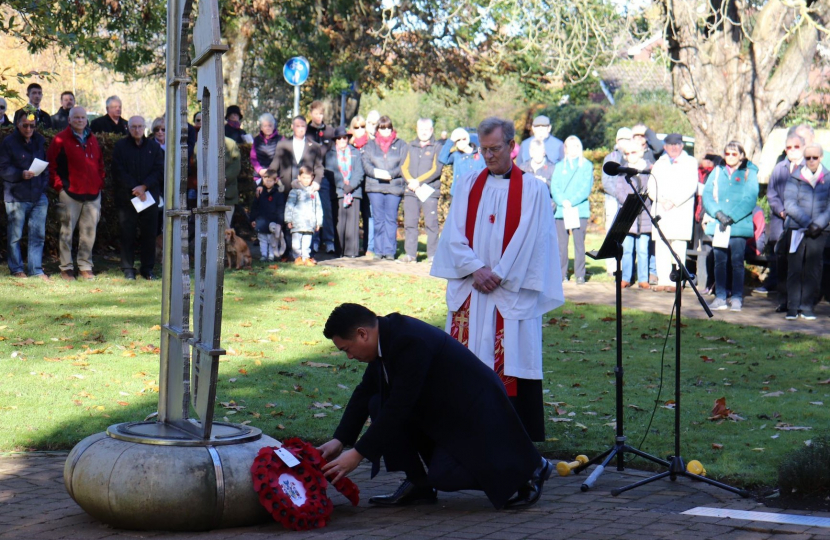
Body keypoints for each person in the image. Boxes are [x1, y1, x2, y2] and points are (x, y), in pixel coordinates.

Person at [318, 303, 554, 510]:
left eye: (346, 349)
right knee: (376, 402)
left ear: (362, 334)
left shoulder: (407, 341)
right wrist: (340, 440)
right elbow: (365, 392)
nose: (348, 357)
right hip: (443, 411)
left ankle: (530, 468)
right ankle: (419, 485)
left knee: (445, 477)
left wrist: (358, 454)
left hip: (476, 413)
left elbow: (399, 406)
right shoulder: (387, 336)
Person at [430, 117, 564, 441]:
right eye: (483, 149)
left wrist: (499, 274)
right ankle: (466, 434)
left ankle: (511, 437)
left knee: (512, 361)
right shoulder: (466, 185)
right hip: (472, 289)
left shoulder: (532, 189)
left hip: (510, 292)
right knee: (468, 360)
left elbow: (532, 240)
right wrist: (476, 268)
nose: (488, 156)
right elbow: (453, 235)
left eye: (495, 149)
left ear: (512, 146)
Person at [46, 107, 105, 281]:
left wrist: (100, 182)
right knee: (66, 233)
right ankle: (66, 268)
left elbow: (100, 163)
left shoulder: (93, 139)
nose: (80, 120)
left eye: (83, 117)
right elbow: (51, 166)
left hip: (93, 194)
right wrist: (59, 187)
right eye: (76, 118)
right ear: (69, 120)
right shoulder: (60, 139)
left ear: (87, 120)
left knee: (89, 233)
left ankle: (85, 267)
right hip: (69, 193)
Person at [702, 141, 760, 312]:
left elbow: (750, 198)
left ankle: (736, 297)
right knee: (719, 261)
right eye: (727, 153)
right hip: (719, 223)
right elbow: (707, 194)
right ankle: (720, 296)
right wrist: (718, 213)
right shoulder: (718, 171)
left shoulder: (750, 172)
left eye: (734, 154)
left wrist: (732, 217)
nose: (730, 157)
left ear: (741, 155)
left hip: (738, 225)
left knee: (736, 262)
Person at [111, 116, 164, 280]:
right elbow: (118, 170)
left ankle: (147, 269)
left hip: (149, 196)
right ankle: (128, 268)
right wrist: (135, 187)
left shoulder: (154, 147)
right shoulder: (120, 146)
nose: (137, 130)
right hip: (128, 197)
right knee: (128, 233)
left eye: (140, 126)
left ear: (145, 128)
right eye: (134, 126)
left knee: (149, 234)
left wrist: (144, 187)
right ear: (128, 127)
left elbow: (159, 170)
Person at [0, 107, 50, 279]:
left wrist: (43, 187)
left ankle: (35, 269)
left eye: (32, 126)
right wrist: (20, 174)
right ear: (17, 124)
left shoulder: (39, 141)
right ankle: (16, 268)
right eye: (25, 125)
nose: (28, 129)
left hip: (38, 195)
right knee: (15, 236)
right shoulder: (8, 143)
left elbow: (45, 167)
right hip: (16, 196)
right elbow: (3, 168)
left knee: (38, 235)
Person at [782, 144, 829, 320]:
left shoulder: (828, 178)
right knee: (794, 267)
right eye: (808, 158)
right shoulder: (795, 178)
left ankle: (807, 305)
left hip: (820, 230)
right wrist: (808, 223)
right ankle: (792, 306)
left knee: (813, 268)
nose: (811, 161)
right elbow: (790, 203)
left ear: (821, 158)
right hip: (797, 228)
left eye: (814, 158)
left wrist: (818, 224)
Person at [647, 133, 698, 292]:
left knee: (678, 247)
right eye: (670, 145)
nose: (674, 148)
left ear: (682, 146)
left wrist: (674, 201)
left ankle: (676, 282)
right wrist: (662, 200)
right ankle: (663, 280)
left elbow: (691, 186)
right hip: (661, 209)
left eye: (677, 144)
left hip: (679, 210)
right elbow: (651, 186)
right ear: (665, 147)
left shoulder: (690, 162)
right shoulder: (659, 163)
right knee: (661, 246)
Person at [764, 132, 805, 309]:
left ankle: (798, 301)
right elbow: (771, 193)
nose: (793, 150)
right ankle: (783, 300)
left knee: (800, 262)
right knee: (781, 262)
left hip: (802, 223)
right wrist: (781, 211)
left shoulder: (809, 167)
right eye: (789, 147)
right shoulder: (780, 167)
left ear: (803, 147)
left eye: (796, 147)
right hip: (781, 223)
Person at [362, 115, 407, 261]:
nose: (386, 130)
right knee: (378, 219)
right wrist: (376, 173)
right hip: (375, 186)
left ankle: (389, 250)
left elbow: (404, 164)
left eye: (388, 127)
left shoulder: (401, 144)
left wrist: (390, 174)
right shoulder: (370, 145)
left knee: (390, 219)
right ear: (378, 129)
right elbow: (366, 163)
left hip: (394, 186)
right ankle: (378, 250)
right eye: (382, 127)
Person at [551, 135, 594, 285]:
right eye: (570, 146)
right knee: (561, 245)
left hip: (579, 210)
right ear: (565, 149)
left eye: (576, 146)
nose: (573, 150)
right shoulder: (559, 166)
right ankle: (562, 274)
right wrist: (562, 201)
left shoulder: (586, 165)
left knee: (579, 244)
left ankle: (580, 274)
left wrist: (571, 201)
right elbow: (554, 187)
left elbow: (585, 188)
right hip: (562, 210)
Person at [400, 118, 442, 263]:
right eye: (421, 129)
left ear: (431, 131)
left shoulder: (437, 146)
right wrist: (411, 181)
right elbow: (403, 167)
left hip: (429, 191)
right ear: (417, 130)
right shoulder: (410, 146)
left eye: (427, 129)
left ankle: (433, 255)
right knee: (410, 223)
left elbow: (437, 169)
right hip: (411, 190)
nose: (424, 132)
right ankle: (410, 254)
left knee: (431, 224)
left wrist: (419, 181)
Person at [615, 138, 654, 289]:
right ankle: (626, 277)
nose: (631, 155)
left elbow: (649, 191)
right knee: (627, 249)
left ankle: (643, 279)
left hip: (644, 214)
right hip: (627, 215)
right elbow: (619, 191)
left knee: (643, 249)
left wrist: (640, 205)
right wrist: (630, 205)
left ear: (641, 152)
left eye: (634, 152)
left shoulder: (648, 170)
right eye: (627, 153)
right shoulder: (622, 172)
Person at [326, 126, 364, 258]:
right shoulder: (330, 154)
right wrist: (343, 185)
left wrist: (351, 185)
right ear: (336, 140)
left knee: (353, 222)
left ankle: (352, 251)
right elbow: (330, 172)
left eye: (344, 137)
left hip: (354, 192)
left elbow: (360, 171)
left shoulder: (356, 152)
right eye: (339, 138)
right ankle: (340, 251)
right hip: (338, 192)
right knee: (340, 223)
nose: (342, 140)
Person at [601, 128, 632, 276]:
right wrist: (619, 195)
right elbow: (606, 182)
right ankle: (612, 266)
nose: (624, 142)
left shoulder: (631, 156)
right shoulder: (611, 157)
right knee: (612, 231)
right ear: (617, 141)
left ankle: (627, 266)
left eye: (627, 139)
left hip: (627, 201)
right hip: (613, 200)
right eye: (622, 139)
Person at [308, 101, 337, 254]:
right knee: (311, 210)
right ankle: (314, 240)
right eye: (316, 113)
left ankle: (329, 240)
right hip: (309, 176)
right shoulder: (305, 131)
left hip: (325, 176)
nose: (319, 117)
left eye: (321, 114)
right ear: (311, 113)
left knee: (326, 209)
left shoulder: (330, 131)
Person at [285, 166, 323, 266]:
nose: (306, 180)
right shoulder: (294, 191)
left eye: (308, 178)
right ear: (299, 177)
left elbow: (318, 207)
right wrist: (288, 220)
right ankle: (298, 257)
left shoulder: (314, 192)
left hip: (310, 223)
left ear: (312, 178)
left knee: (307, 242)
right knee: (296, 243)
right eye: (304, 178)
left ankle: (306, 258)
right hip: (297, 222)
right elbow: (289, 206)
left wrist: (319, 222)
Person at [350, 115, 374, 256]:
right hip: (353, 186)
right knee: (353, 218)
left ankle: (368, 247)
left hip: (368, 184)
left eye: (362, 126)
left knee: (368, 216)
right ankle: (353, 246)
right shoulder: (348, 144)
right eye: (356, 127)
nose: (360, 129)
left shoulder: (371, 144)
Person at [438, 128, 484, 198]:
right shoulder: (456, 155)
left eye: (463, 139)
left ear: (467, 139)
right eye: (457, 140)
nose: (461, 142)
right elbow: (442, 159)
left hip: (477, 193)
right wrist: (451, 140)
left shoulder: (480, 155)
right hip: (458, 194)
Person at [250, 173, 284, 262]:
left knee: (272, 240)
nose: (268, 182)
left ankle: (271, 255)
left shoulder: (278, 194)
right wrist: (253, 219)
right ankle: (264, 254)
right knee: (262, 239)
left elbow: (280, 209)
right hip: (261, 221)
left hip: (273, 221)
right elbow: (254, 207)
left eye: (270, 181)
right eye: (266, 180)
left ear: (275, 181)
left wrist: (279, 222)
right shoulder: (260, 192)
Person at [250, 112, 281, 188]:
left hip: (275, 177)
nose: (268, 128)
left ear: (274, 126)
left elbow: (281, 159)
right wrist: (259, 170)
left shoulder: (281, 140)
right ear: (261, 127)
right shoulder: (257, 140)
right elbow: (253, 158)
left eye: (270, 126)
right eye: (265, 126)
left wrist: (269, 173)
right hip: (259, 176)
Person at [224, 136, 241, 228]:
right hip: (207, 193)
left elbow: (236, 165)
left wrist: (225, 177)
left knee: (226, 229)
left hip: (228, 192)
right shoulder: (201, 142)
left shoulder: (230, 143)